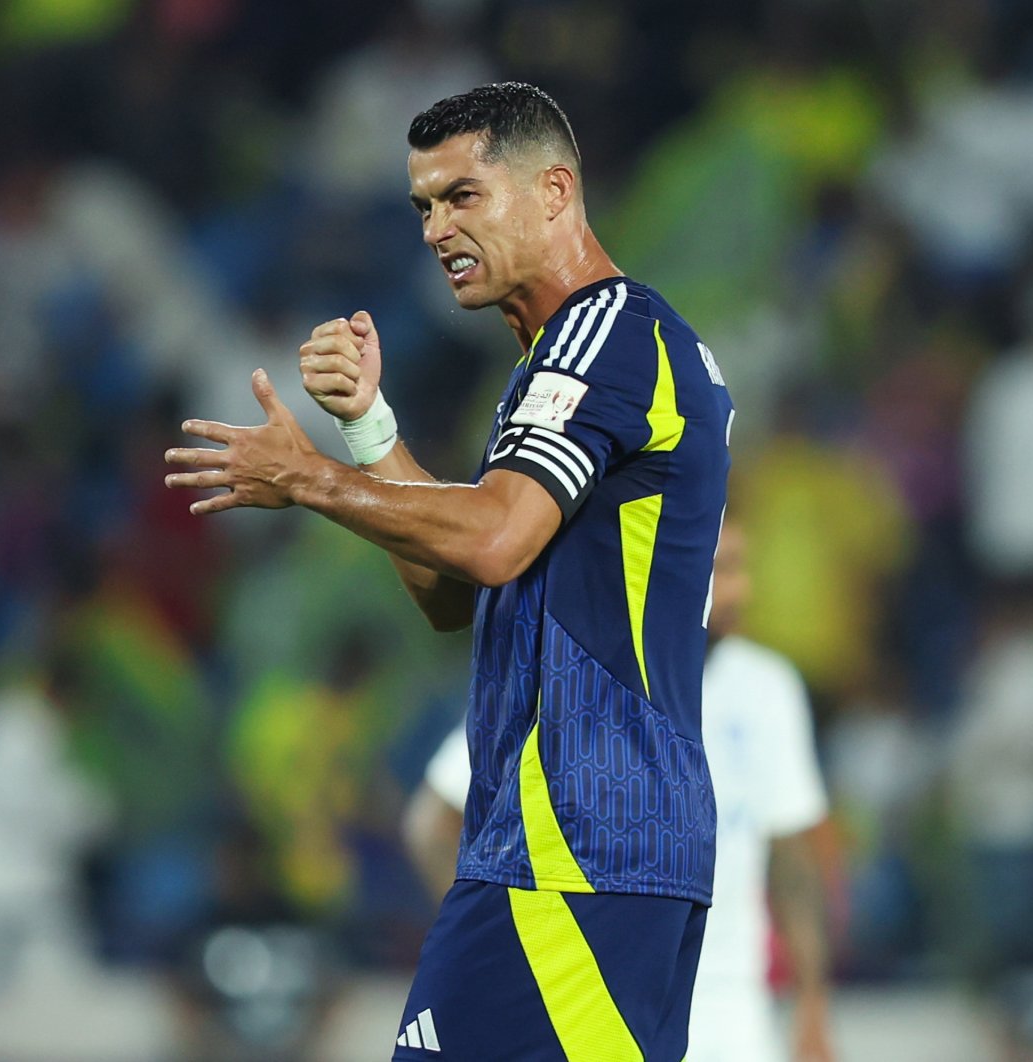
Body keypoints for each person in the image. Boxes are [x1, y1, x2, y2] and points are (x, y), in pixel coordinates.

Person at [165, 82, 732, 1061]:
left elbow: (491, 540)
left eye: (463, 196)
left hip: (581, 847)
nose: (435, 228)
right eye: (423, 205)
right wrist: (368, 429)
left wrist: (308, 479)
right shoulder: (561, 362)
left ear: (553, 192)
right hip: (563, 850)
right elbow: (453, 594)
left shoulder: (608, 338)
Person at [406, 523, 839, 1062]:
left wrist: (814, 1005)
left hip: (730, 1013)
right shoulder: (577, 671)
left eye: (741, 568)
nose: (740, 591)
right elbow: (432, 822)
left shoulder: (768, 688)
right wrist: (507, 945)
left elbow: (793, 858)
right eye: (721, 570)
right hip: (595, 1003)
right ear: (671, 572)